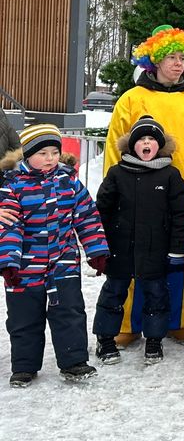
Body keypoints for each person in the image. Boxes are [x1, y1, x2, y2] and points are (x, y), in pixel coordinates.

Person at [105, 25, 184, 347]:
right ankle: (128, 321)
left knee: (181, 255)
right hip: (138, 195)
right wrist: (116, 192)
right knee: (133, 256)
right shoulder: (132, 99)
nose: (178, 63)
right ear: (154, 60)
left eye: (182, 57)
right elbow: (115, 147)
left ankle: (177, 320)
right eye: (170, 57)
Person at [0, 124, 109, 387]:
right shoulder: (13, 186)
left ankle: (73, 361)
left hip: (64, 263)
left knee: (70, 313)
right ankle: (24, 366)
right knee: (24, 319)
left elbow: (87, 217)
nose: (50, 158)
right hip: (25, 268)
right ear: (27, 155)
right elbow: (10, 226)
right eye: (42, 153)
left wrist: (96, 250)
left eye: (54, 152)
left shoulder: (69, 181)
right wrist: (9, 264)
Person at [93, 116, 184, 366]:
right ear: (132, 146)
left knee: (157, 296)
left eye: (151, 140)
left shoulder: (170, 175)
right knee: (113, 294)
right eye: (141, 140)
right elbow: (101, 210)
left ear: (159, 146)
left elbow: (181, 215)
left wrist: (177, 250)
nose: (146, 143)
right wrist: (99, 247)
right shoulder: (117, 173)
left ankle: (154, 340)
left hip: (155, 251)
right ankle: (105, 339)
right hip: (120, 249)